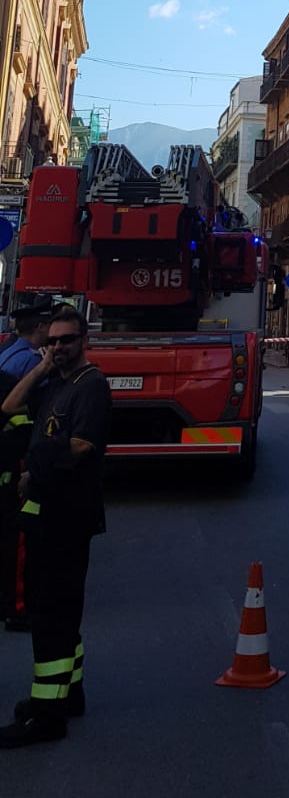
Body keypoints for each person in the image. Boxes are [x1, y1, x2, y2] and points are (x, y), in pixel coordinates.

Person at [0, 306, 112, 748]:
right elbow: (9, 406)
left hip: (67, 516)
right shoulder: (56, 383)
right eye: (52, 341)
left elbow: (81, 446)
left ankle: (46, 716)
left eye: (67, 340)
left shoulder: (91, 386)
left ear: (84, 340)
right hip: (47, 514)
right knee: (61, 614)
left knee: (50, 617)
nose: (59, 347)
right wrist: (43, 367)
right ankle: (69, 694)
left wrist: (34, 474)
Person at [0, 301, 53, 631]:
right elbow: (36, 414)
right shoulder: (29, 364)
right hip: (14, 464)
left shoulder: (7, 355)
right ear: (40, 327)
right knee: (18, 540)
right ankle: (17, 609)